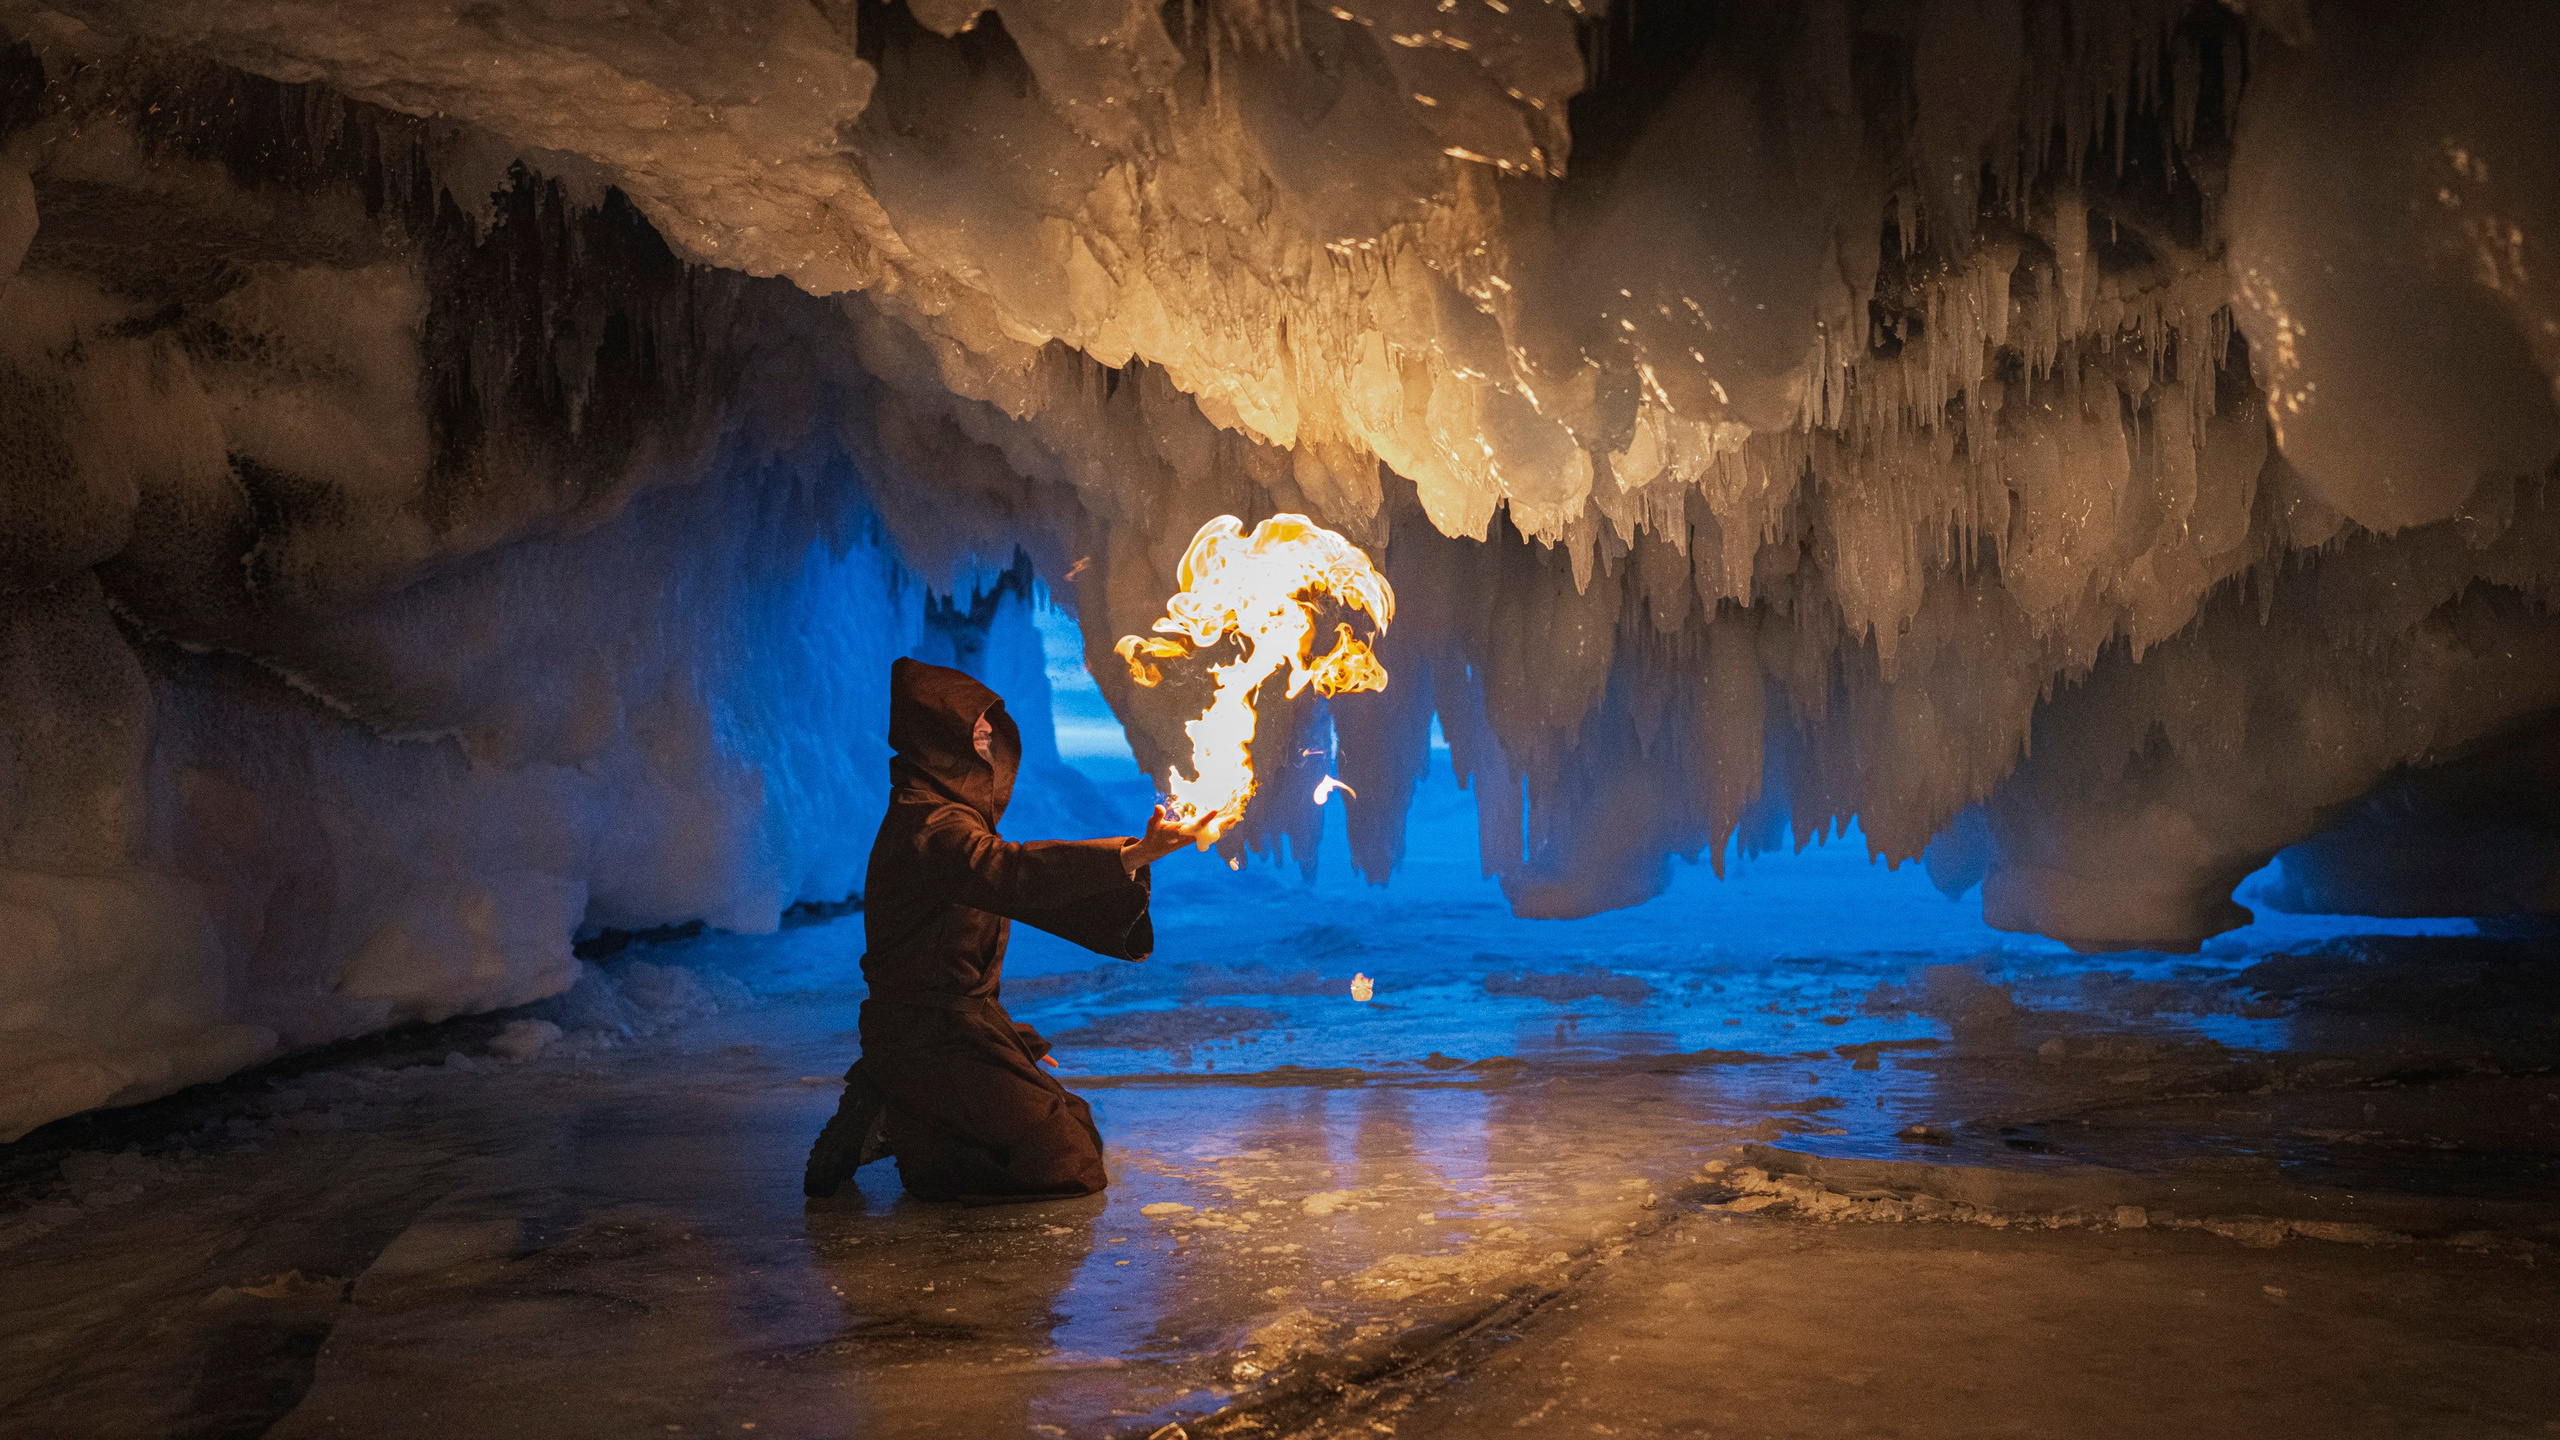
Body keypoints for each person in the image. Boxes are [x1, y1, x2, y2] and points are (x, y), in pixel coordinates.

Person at [804, 657, 1200, 1203]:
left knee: (1075, 1125)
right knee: (1065, 1162)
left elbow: (961, 943)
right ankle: (895, 1107)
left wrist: (1009, 1038)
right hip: (921, 1033)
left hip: (955, 1025)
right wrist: (1131, 856)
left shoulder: (946, 814)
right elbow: (1007, 872)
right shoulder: (929, 825)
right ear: (937, 743)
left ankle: (913, 1106)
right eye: (974, 736)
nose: (986, 746)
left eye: (991, 735)